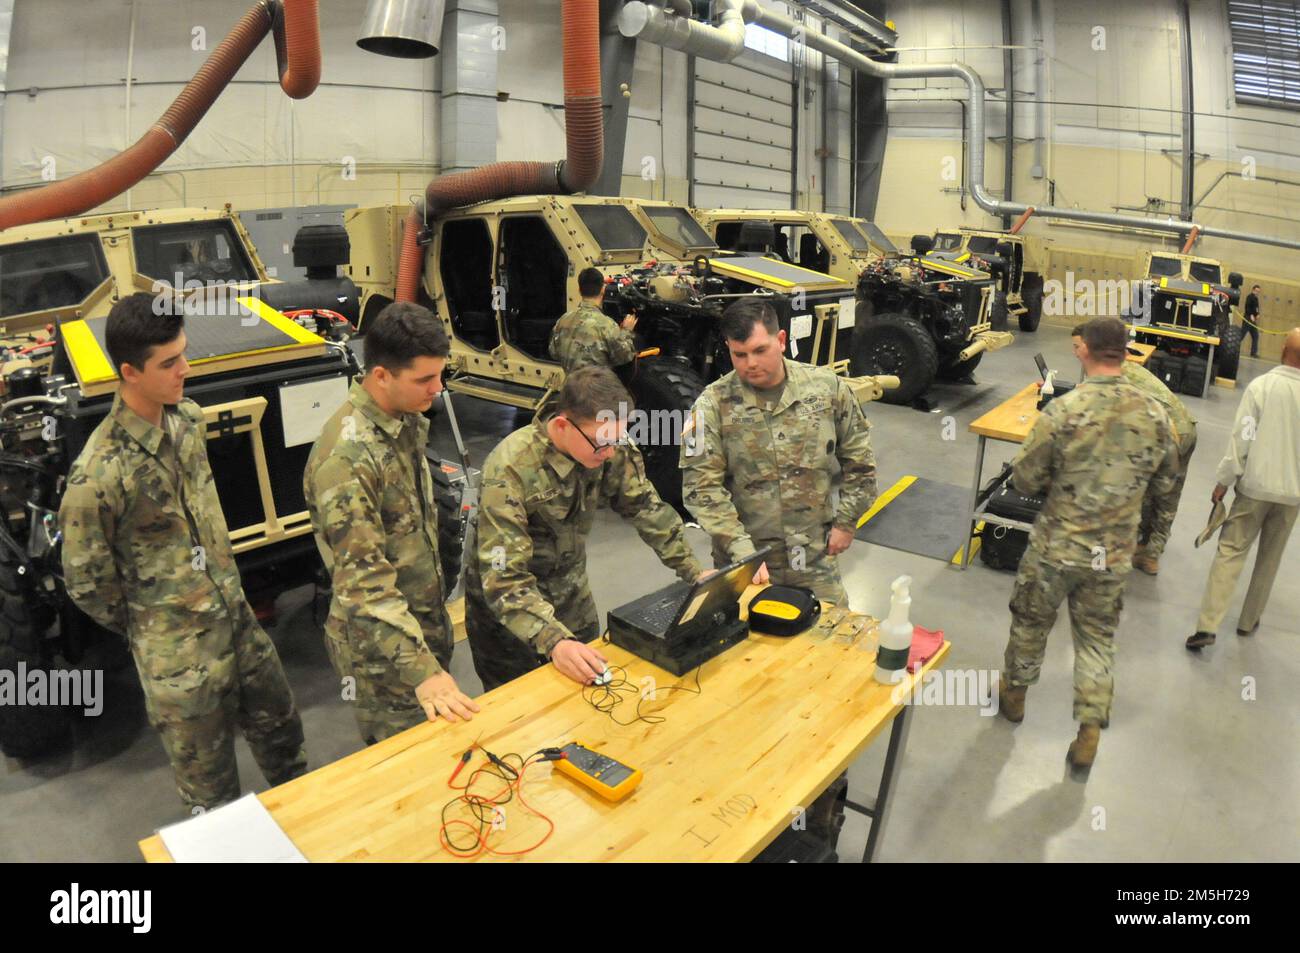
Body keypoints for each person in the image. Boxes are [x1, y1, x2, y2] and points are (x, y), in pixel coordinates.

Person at [60, 292, 306, 809]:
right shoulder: (99, 472)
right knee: (211, 796)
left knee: (287, 746)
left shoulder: (188, 421)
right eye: (169, 363)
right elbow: (85, 584)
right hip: (180, 664)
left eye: (184, 354)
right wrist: (154, 625)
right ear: (129, 371)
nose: (185, 370)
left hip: (239, 623)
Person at [999, 317, 1179, 768]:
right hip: (1111, 554)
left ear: (1084, 351)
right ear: (1125, 352)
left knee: (1031, 620)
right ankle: (1089, 732)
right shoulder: (1155, 414)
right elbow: (1165, 483)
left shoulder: (1063, 411)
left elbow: (1024, 478)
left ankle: (1015, 697)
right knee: (1097, 639)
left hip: (1056, 546)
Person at [465, 366, 708, 691]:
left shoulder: (607, 445)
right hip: (511, 618)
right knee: (519, 718)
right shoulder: (510, 470)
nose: (609, 453)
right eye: (601, 444)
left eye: (617, 440)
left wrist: (695, 571)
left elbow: (646, 509)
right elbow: (503, 579)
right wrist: (554, 641)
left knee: (587, 699)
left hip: (571, 595)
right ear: (563, 425)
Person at [303, 302, 479, 744]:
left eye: (440, 376)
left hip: (418, 628)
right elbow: (364, 585)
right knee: (407, 765)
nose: (437, 390)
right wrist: (423, 672)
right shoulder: (347, 459)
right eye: (424, 379)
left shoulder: (400, 424)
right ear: (380, 375)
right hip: (382, 654)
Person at [679, 298, 877, 606]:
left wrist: (846, 522)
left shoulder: (826, 389)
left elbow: (860, 462)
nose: (750, 363)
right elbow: (701, 489)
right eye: (739, 354)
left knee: (832, 641)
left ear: (781, 340)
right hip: (745, 560)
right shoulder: (711, 406)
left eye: (760, 350)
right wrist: (744, 552)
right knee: (746, 649)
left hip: (814, 556)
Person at [1187, 328, 1300, 649]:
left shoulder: (1262, 387)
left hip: (1254, 489)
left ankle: (1207, 627)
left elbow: (1242, 439)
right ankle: (1248, 622)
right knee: (1270, 558)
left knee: (1230, 553)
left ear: (1282, 350)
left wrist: (1224, 481)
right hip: (1292, 495)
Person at [1070, 324, 1197, 575]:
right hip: (1185, 427)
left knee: (1142, 493)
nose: (1075, 352)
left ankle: (1123, 552)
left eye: (1077, 346)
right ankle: (1150, 554)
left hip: (1168, 432)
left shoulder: (1111, 374)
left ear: (1091, 346)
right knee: (1167, 497)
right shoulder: (1121, 368)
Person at [548, 267, 638, 373]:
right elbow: (624, 357)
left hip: (570, 386)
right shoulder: (607, 325)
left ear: (579, 290)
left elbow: (553, 352)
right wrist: (626, 331)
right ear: (602, 289)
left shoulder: (563, 320)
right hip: (595, 388)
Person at [1242, 284, 1262, 359]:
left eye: (1258, 291)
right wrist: (1251, 315)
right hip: (1248, 318)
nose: (1257, 292)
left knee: (1255, 336)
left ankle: (1253, 353)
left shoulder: (1256, 298)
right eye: (1256, 291)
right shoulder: (1249, 297)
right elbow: (1247, 307)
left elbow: (1256, 308)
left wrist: (1257, 314)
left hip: (1253, 320)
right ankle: (1234, 348)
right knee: (1242, 334)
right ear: (1253, 290)